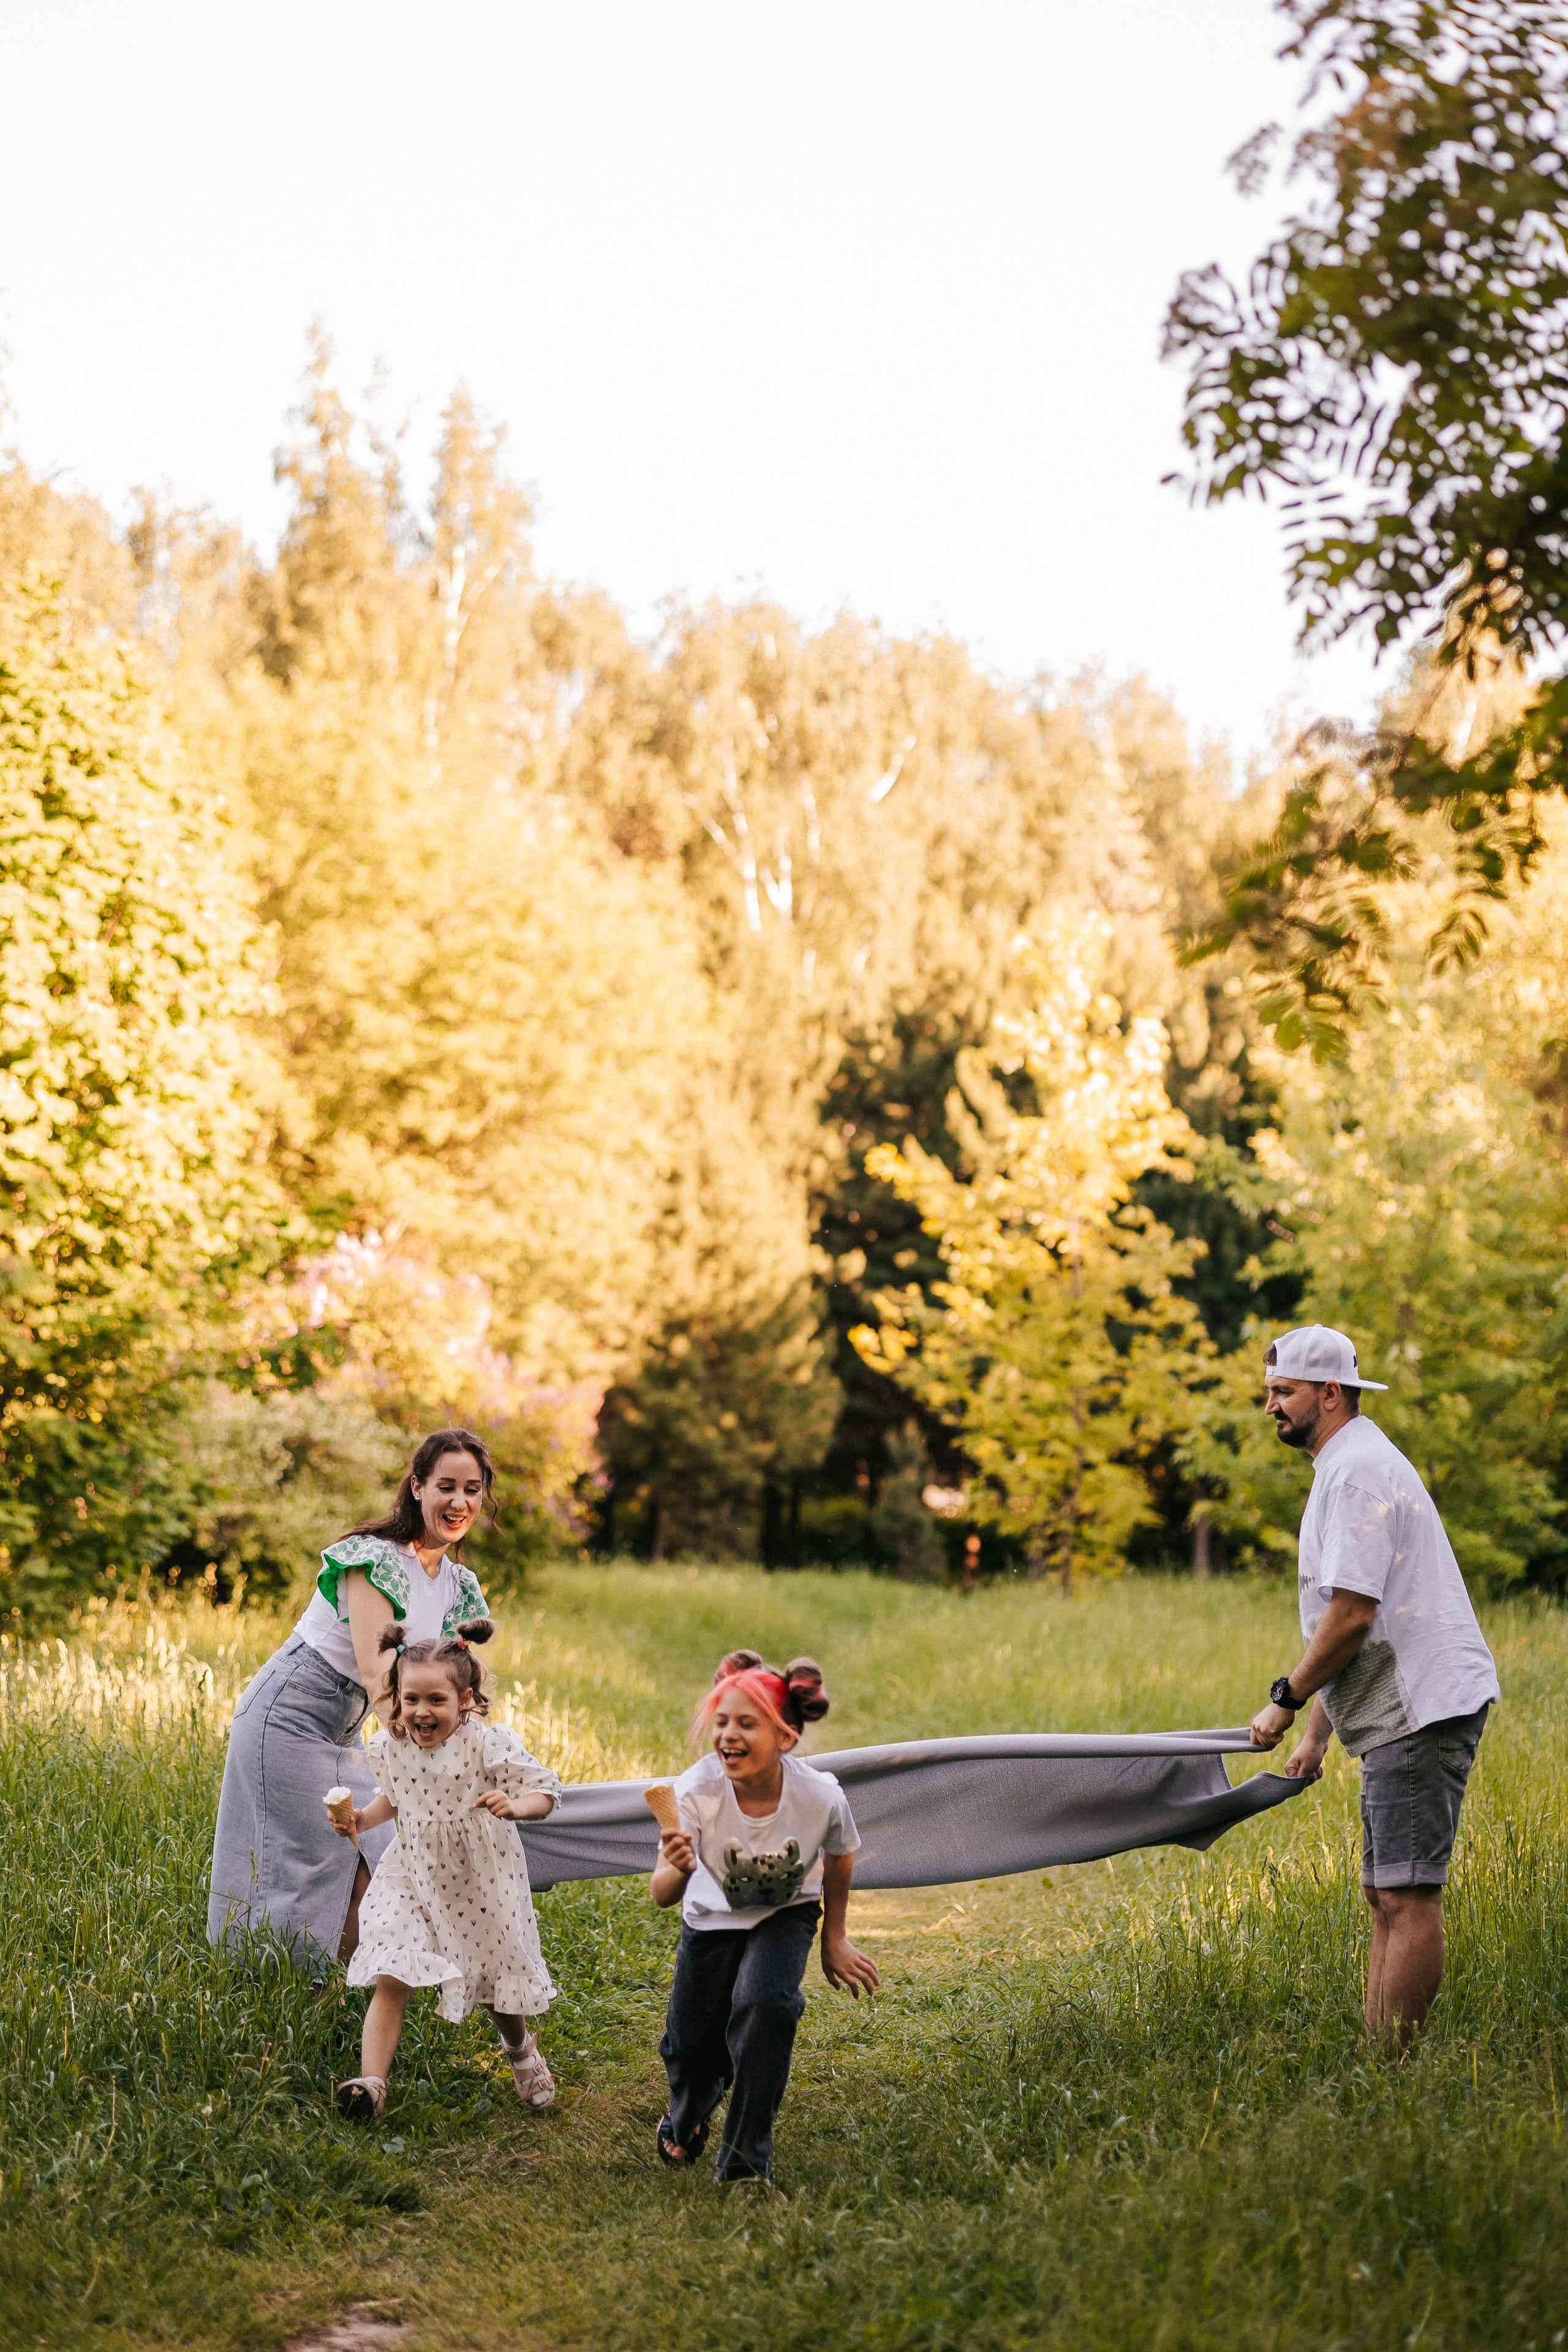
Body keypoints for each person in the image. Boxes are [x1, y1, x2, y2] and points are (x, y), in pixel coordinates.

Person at [1248, 1324, 1499, 2049]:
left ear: (1329, 1393)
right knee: (1383, 1892)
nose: (1270, 1406)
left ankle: (1388, 2073)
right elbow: (1358, 1613)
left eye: (1283, 1391)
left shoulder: (1356, 1471)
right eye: (1269, 1391)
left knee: (1407, 1893)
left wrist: (1286, 1700)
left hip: (1421, 1707)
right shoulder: (1345, 1464)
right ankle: (1377, 2057)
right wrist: (1317, 1733)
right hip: (1399, 1706)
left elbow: (1353, 1615)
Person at [208, 1428, 499, 1967]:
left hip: (347, 1729)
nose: (459, 1502)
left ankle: (343, 2007)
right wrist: (424, 1762)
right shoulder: (375, 1561)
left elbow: (461, 1689)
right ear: (418, 1488)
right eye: (446, 1486)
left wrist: (478, 1756)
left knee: (386, 1857)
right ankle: (304, 1995)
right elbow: (377, 1673)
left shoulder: (458, 1586)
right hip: (289, 1716)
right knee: (345, 1864)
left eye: (473, 1489)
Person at [652, 1649, 881, 2188]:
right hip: (710, 1918)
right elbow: (662, 1892)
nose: (728, 1734)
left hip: (786, 1912)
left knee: (765, 2008)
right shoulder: (696, 1792)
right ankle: (689, 2111)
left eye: (747, 1724)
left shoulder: (819, 1795)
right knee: (690, 2045)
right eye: (722, 1721)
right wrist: (680, 1868)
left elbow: (841, 1853)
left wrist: (836, 1937)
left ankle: (744, 2161)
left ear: (785, 1737)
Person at [330, 1618, 562, 2120]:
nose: (422, 1711)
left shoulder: (485, 1742)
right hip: (412, 1870)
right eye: (411, 1699)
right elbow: (393, 1799)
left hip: (478, 1876)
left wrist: (516, 1806)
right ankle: (372, 2085)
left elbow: (546, 1791)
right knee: (393, 1970)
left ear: (466, 1699)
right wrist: (359, 1821)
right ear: (396, 1696)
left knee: (493, 1979)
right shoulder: (392, 1746)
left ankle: (521, 2051)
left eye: (436, 1699)